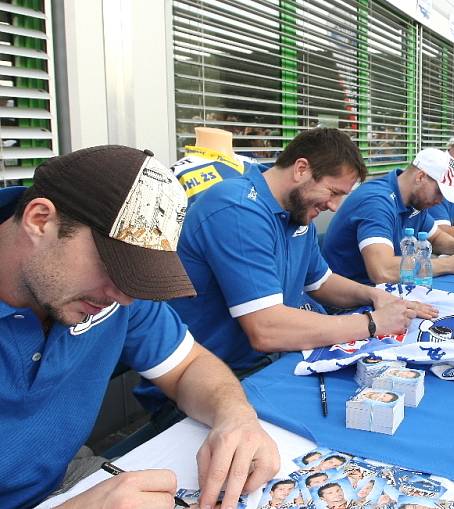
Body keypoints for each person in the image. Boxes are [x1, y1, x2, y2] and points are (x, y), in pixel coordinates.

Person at [0, 146, 280, 508]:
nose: (124, 297)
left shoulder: (107, 292)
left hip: (62, 475)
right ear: (40, 219)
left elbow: (188, 366)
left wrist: (236, 417)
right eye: (114, 267)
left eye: (136, 275)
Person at [139, 129, 436, 411]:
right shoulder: (237, 209)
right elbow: (266, 328)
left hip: (262, 366)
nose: (334, 207)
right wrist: (373, 323)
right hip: (202, 385)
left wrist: (375, 297)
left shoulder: (297, 211)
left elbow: (322, 282)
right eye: (332, 192)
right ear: (301, 169)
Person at [323, 148, 454, 285]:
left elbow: (435, 238)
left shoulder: (416, 201)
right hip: (348, 303)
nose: (440, 201)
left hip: (381, 292)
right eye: (439, 192)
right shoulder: (377, 201)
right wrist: (449, 264)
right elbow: (382, 270)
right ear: (420, 177)